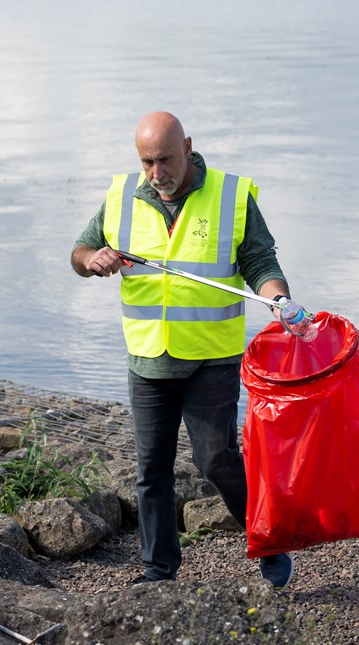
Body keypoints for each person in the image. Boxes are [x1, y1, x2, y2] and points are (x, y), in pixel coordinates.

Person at [70, 111, 295, 588]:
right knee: (151, 470)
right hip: (148, 359)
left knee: (215, 460)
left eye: (166, 159)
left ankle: (270, 541)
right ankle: (158, 572)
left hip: (211, 358)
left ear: (188, 147)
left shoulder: (231, 197)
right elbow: (80, 253)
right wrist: (94, 259)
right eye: (147, 162)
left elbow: (260, 263)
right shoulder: (122, 197)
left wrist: (279, 302)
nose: (157, 173)